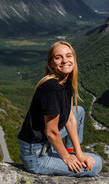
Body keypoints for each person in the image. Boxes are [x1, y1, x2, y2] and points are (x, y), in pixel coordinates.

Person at [17, 41, 102, 177]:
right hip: (37, 155)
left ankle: (70, 150)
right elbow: (51, 132)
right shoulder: (52, 88)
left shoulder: (66, 83)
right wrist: (66, 157)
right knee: (96, 163)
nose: (65, 61)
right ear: (51, 63)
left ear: (74, 59)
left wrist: (78, 154)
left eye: (68, 56)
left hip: (45, 143)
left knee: (78, 111)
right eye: (58, 57)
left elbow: (70, 119)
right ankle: (65, 153)